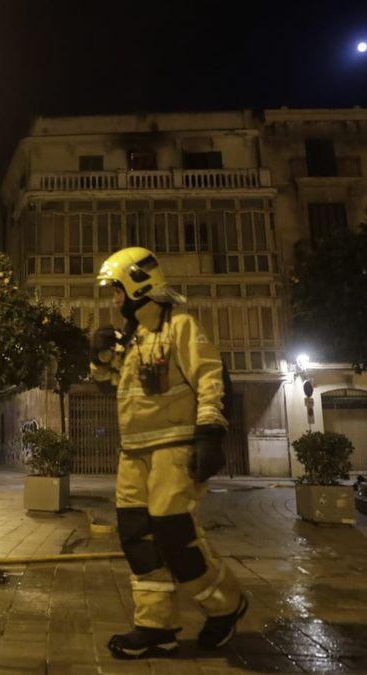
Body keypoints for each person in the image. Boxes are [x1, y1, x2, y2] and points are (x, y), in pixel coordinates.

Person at [91, 246, 248, 658]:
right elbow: (112, 388)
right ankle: (155, 626)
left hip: (173, 449)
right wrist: (99, 356)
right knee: (136, 538)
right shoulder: (135, 338)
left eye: (117, 291)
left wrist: (209, 435)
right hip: (133, 454)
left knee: (174, 534)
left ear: (137, 285)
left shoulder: (179, 326)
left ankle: (226, 605)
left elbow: (211, 378)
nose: (114, 300)